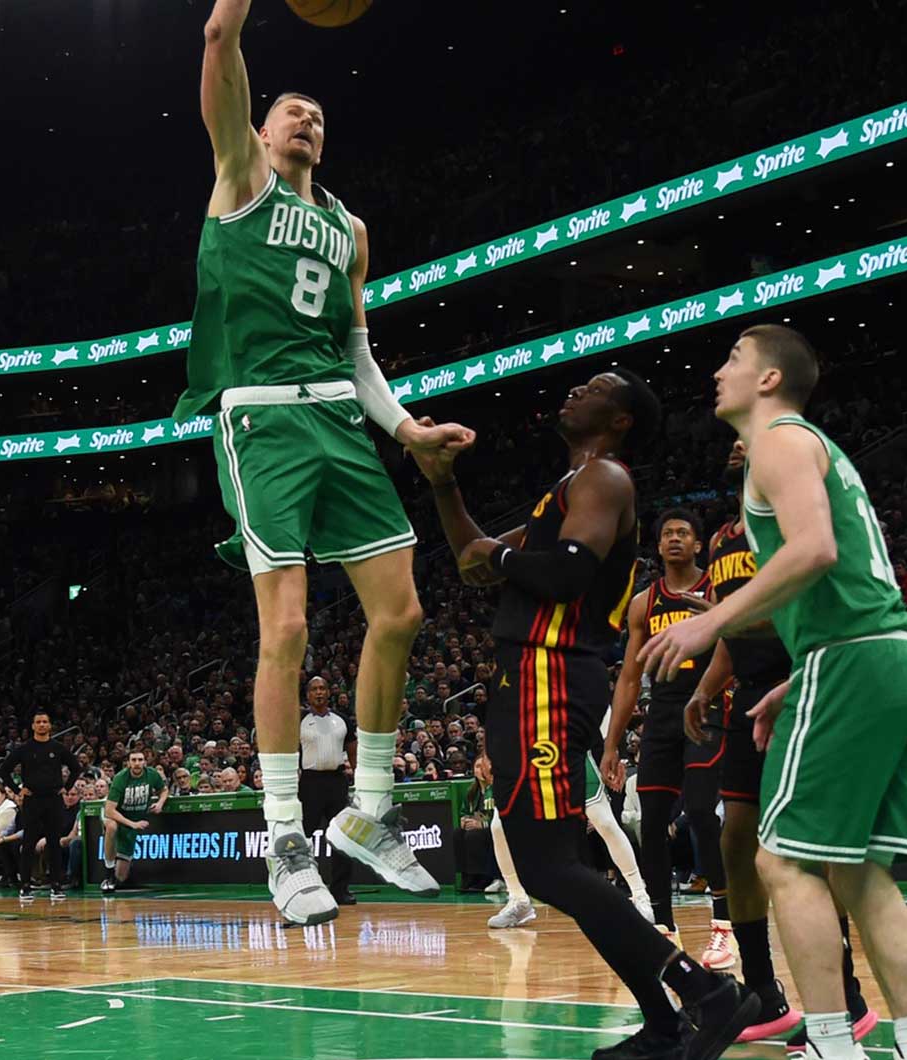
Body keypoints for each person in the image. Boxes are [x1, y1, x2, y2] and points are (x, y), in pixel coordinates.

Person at [183, 0, 468, 925]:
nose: (306, 121)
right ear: (260, 130)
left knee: (403, 612)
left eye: (319, 117)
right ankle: (283, 839)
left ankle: (368, 814)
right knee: (288, 629)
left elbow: (357, 353)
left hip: (341, 421)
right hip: (262, 421)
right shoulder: (240, 181)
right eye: (290, 112)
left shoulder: (350, 227)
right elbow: (220, 44)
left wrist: (406, 430)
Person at [416, 369, 758, 1060]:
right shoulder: (568, 490)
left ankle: (705, 993)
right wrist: (443, 482)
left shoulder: (605, 478)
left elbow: (565, 572)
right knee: (548, 865)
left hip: (551, 673)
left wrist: (503, 554)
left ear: (622, 418)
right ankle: (664, 1027)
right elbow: (473, 565)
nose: (576, 390)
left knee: (549, 866)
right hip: (527, 676)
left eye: (597, 386)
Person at [641, 325, 907, 1060]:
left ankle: (834, 1046)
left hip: (857, 659)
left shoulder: (778, 438)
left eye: (734, 360)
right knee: (859, 868)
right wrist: (798, 678)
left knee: (780, 862)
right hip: (898, 659)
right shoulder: (809, 446)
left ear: (771, 379)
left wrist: (708, 620)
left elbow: (816, 549)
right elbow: (843, 579)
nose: (719, 372)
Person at [686, 442, 878, 1049]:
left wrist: (724, 617)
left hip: (808, 685)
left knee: (805, 851)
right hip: (746, 698)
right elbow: (731, 626)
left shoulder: (798, 512)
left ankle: (846, 1001)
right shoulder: (720, 538)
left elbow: (811, 605)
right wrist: (705, 685)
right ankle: (762, 996)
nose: (739, 437)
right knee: (736, 839)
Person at [604, 508, 733, 965]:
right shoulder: (644, 602)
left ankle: (724, 924)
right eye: (667, 534)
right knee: (651, 822)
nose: (675, 539)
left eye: (684, 533)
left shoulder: (717, 590)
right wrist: (612, 744)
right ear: (657, 546)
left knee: (700, 809)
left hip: (709, 704)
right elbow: (628, 679)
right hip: (660, 713)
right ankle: (664, 927)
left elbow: (739, 643)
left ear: (699, 544)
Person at [486, 708, 653, 930]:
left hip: (568, 753)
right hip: (527, 757)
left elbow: (602, 706)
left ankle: (640, 894)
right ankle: (518, 899)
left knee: (604, 822)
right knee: (499, 826)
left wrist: (610, 750)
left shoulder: (574, 676)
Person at [0, 711, 80, 900]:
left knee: (54, 843)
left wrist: (66, 787)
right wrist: (17, 790)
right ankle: (25, 886)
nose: (42, 725)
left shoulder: (58, 748)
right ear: (33, 726)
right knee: (28, 843)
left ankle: (56, 885)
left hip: (53, 800)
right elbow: (4, 769)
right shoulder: (24, 748)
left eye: (45, 722)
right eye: (38, 722)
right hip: (32, 800)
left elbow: (76, 767)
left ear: (50, 726)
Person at [295, 676, 358, 904]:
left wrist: (357, 774)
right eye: (314, 689)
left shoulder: (342, 720)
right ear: (308, 695)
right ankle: (303, 887)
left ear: (328, 692)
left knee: (342, 837)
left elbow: (352, 747)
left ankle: (340, 890)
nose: (319, 692)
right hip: (309, 783)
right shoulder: (299, 721)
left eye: (322, 688)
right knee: (303, 837)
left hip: (337, 781)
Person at [101, 750, 167, 894]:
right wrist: (133, 824)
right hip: (116, 815)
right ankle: (108, 873)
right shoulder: (120, 778)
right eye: (134, 760)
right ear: (128, 762)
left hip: (134, 817)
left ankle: (117, 866)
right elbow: (109, 810)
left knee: (122, 878)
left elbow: (164, 790)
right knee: (111, 827)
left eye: (140, 760)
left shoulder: (152, 774)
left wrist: (161, 803)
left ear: (145, 761)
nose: (137, 763)